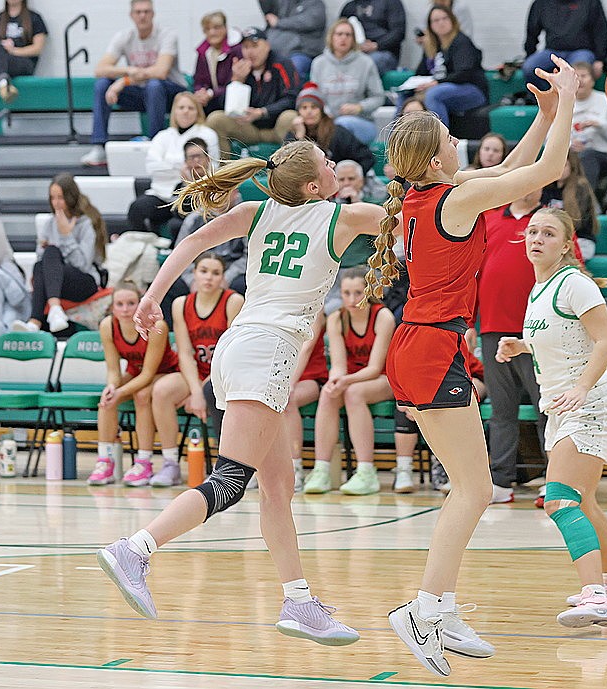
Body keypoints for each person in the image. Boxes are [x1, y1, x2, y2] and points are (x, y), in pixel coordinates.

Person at [96, 138, 389, 644]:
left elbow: (189, 244)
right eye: (328, 165)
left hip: (239, 349)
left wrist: (151, 297)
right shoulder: (340, 218)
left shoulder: (256, 212)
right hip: (267, 351)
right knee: (230, 482)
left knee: (278, 487)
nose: (337, 170)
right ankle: (136, 547)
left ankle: (299, 603)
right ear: (315, 185)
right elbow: (422, 213)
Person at [368, 54, 578, 676]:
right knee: (475, 489)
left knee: (472, 487)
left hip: (421, 344)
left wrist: (539, 118)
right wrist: (566, 102)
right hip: (432, 348)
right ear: (436, 159)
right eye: (449, 139)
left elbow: (514, 171)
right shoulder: (453, 202)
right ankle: (424, 608)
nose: (460, 142)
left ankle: (445, 607)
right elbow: (550, 171)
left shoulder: (432, 198)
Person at [495, 207, 607, 628]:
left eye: (549, 233)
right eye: (532, 231)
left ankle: (596, 597)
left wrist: (580, 387)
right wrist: (523, 347)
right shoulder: (538, 289)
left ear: (566, 244)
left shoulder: (575, 284)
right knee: (585, 503)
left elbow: (605, 342)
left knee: (559, 500)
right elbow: (561, 339)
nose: (537, 238)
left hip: (589, 405)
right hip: (562, 408)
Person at [149, 253, 244, 487]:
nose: (209, 278)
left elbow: (232, 352)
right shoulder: (181, 304)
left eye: (215, 273)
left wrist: (202, 390)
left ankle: (231, 466)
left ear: (223, 278)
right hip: (196, 373)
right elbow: (184, 353)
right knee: (161, 391)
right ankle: (171, 464)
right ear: (194, 273)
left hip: (226, 372)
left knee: (213, 391)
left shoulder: (233, 301)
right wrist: (195, 391)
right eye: (204, 271)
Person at [477, 187, 546, 504]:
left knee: (547, 407)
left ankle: (556, 478)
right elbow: (471, 271)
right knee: (502, 410)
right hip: (492, 328)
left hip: (537, 332)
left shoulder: (547, 224)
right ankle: (501, 482)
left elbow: (574, 267)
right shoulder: (489, 219)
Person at [303, 267, 395, 495]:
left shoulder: (383, 316)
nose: (352, 300)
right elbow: (338, 366)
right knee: (328, 392)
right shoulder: (336, 319)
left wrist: (345, 381)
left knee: (354, 393)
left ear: (369, 292)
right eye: (346, 293)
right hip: (353, 379)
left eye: (358, 293)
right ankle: (322, 470)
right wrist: (336, 381)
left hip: (385, 379)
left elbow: (375, 368)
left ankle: (366, 472)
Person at [87, 282, 180, 487]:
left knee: (142, 395)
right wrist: (112, 387)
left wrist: (120, 392)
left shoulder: (157, 326)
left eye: (131, 303)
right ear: (112, 307)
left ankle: (144, 462)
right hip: (135, 373)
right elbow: (113, 370)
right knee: (107, 399)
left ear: (141, 304)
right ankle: (105, 461)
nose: (125, 309)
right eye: (119, 304)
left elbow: (148, 374)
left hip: (166, 372)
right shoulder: (107, 326)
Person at [81, 0, 187, 167]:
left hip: (172, 93)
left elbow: (161, 72)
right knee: (102, 84)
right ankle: (99, 146)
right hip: (141, 92)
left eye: (146, 11)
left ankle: (155, 145)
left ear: (153, 14)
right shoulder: (124, 36)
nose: (142, 15)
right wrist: (129, 70)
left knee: (154, 85)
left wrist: (123, 81)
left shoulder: (167, 35)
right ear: (131, 15)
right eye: (138, 12)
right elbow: (100, 69)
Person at [11, 175, 107, 334]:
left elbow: (83, 264)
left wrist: (66, 236)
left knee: (51, 253)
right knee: (44, 259)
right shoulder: (49, 223)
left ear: (70, 197)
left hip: (84, 281)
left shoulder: (85, 224)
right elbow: (42, 259)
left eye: (60, 197)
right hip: (57, 282)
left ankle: (37, 320)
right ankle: (42, 318)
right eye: (52, 198)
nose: (56, 203)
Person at [394, 347, 486, 494]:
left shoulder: (447, 339)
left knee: (453, 406)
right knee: (405, 409)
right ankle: (404, 469)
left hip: (465, 380)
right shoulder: (410, 344)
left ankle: (458, 472)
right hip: (427, 386)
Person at [205, 26, 300, 161]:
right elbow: (224, 106)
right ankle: (225, 175)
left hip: (277, 126)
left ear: (267, 46)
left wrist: (262, 112)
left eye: (255, 46)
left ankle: (289, 174)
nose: (250, 52)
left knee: (290, 117)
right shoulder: (240, 67)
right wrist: (236, 81)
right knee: (216, 119)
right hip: (250, 128)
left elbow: (292, 99)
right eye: (246, 47)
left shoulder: (282, 64)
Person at [127, 95, 219, 234]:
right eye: (181, 108)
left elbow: (212, 167)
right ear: (174, 111)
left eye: (190, 108)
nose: (185, 111)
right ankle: (146, 248)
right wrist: (182, 166)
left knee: (177, 221)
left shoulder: (207, 134)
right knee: (137, 208)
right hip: (161, 194)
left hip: (194, 194)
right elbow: (152, 168)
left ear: (198, 112)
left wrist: (168, 164)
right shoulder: (163, 136)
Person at [309, 18, 385, 145]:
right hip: (327, 121)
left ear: (353, 39)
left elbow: (378, 97)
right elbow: (313, 96)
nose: (343, 38)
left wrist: (359, 107)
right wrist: (325, 112)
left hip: (360, 121)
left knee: (341, 125)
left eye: (348, 35)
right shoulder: (318, 63)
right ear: (331, 37)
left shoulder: (366, 62)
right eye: (339, 34)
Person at [411, 5, 487, 129]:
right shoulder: (431, 45)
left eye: (445, 18)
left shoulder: (461, 42)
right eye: (436, 20)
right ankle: (394, 143)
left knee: (434, 94)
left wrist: (436, 83)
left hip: (472, 90)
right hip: (443, 88)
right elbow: (421, 72)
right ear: (430, 25)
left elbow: (464, 74)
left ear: (452, 20)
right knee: (406, 96)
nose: (441, 23)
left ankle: (441, 140)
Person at [285, 82, 375, 175]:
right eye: (304, 108)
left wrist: (347, 178)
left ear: (322, 111)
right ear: (298, 112)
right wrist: (299, 137)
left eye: (314, 107)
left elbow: (367, 157)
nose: (309, 112)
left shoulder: (337, 132)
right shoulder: (293, 134)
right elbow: (288, 167)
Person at [569, 61, 607, 194]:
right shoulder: (563, 103)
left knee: (588, 157)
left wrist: (601, 126)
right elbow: (549, 138)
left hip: (604, 156)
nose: (580, 80)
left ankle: (586, 205)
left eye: (583, 76)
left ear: (592, 80)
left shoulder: (606, 101)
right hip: (570, 156)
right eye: (576, 76)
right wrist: (569, 145)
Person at [283, 310, 327, 491]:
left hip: (311, 377)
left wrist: (288, 382)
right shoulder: (279, 306)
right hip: (282, 375)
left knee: (287, 399)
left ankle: (295, 468)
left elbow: (306, 349)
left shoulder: (315, 310)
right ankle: (259, 467)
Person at [523, 0, 607, 88]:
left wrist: (600, 59)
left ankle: (571, 101)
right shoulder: (541, 3)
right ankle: (551, 98)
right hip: (552, 52)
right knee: (529, 67)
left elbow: (601, 31)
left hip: (582, 51)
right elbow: (531, 32)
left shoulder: (591, 2)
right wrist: (529, 55)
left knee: (578, 74)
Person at [542, 150, 599, 260]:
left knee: (556, 256)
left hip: (581, 240)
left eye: (564, 165)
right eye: (556, 165)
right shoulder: (546, 188)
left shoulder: (580, 187)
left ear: (572, 167)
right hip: (552, 238)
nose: (559, 169)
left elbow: (578, 222)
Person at [191, 10, 243, 116]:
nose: (212, 32)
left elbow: (234, 84)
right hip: (210, 99)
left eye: (216, 28)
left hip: (229, 99)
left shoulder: (236, 50)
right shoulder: (203, 53)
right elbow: (198, 81)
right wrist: (201, 92)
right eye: (207, 29)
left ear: (225, 28)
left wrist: (211, 93)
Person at [260, 0, 326, 81]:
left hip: (301, 52)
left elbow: (309, 22)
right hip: (276, 53)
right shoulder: (284, 3)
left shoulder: (315, 3)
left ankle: (291, 93)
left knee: (293, 67)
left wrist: (279, 23)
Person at [338, 0, 406, 75]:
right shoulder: (350, 6)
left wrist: (376, 45)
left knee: (366, 63)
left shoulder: (391, 2)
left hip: (383, 52)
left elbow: (398, 32)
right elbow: (338, 31)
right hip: (355, 50)